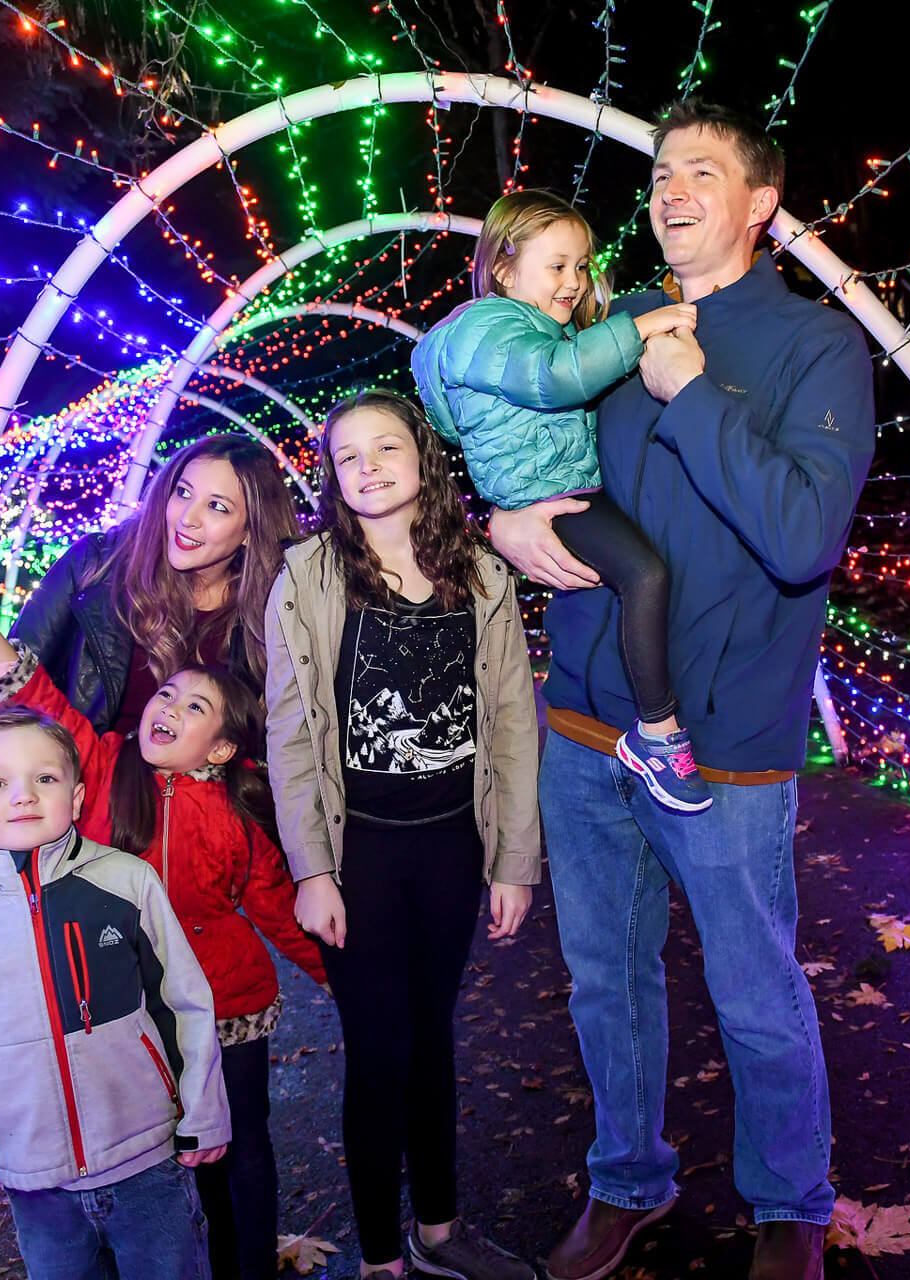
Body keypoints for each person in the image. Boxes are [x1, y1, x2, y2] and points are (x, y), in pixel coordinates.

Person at [487, 100, 880, 1280]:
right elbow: (518, 455)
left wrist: (692, 391)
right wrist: (501, 520)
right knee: (605, 972)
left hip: (726, 739)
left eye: (701, 170)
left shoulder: (818, 346)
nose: (669, 188)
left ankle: (788, 1205)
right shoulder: (595, 329)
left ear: (762, 203)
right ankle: (626, 1179)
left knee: (753, 983)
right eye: (660, 170)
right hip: (585, 722)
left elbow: (804, 534)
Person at [0, 563, 327, 1278]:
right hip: (138, 1009)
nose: (168, 705)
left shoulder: (238, 816)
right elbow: (39, 701)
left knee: (245, 1142)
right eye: (166, 692)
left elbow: (278, 906)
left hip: (232, 1004)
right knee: (180, 1152)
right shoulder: (105, 768)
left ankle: (251, 1265)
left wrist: (345, 980)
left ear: (224, 748)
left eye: (195, 707)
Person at [265, 389, 540, 1280]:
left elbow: (507, 722)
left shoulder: (482, 573)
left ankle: (439, 1231)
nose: (369, 467)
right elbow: (291, 735)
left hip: (452, 848)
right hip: (361, 855)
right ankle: (381, 1257)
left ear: (423, 456)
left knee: (432, 1036)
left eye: (387, 447)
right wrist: (311, 869)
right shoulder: (305, 576)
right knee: (379, 1045)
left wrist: (513, 862)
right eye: (348, 456)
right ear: (332, 478)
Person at [0, 704, 230, 1280]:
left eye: (45, 778)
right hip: (38, 1185)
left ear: (75, 798)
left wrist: (203, 1114)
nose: (23, 795)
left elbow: (183, 1003)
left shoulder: (126, 881)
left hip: (147, 1164)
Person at [410, 189, 709, 813]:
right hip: (548, 496)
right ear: (504, 269)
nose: (573, 281)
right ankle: (658, 731)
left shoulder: (529, 328)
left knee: (641, 574)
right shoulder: (490, 328)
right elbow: (555, 378)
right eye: (557, 266)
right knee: (645, 575)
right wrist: (644, 325)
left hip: (552, 488)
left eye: (582, 265)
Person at [11, 436, 298, 736]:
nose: (187, 518)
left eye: (216, 506)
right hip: (79, 774)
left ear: (250, 531)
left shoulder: (269, 613)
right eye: (183, 492)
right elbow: (14, 674)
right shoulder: (97, 563)